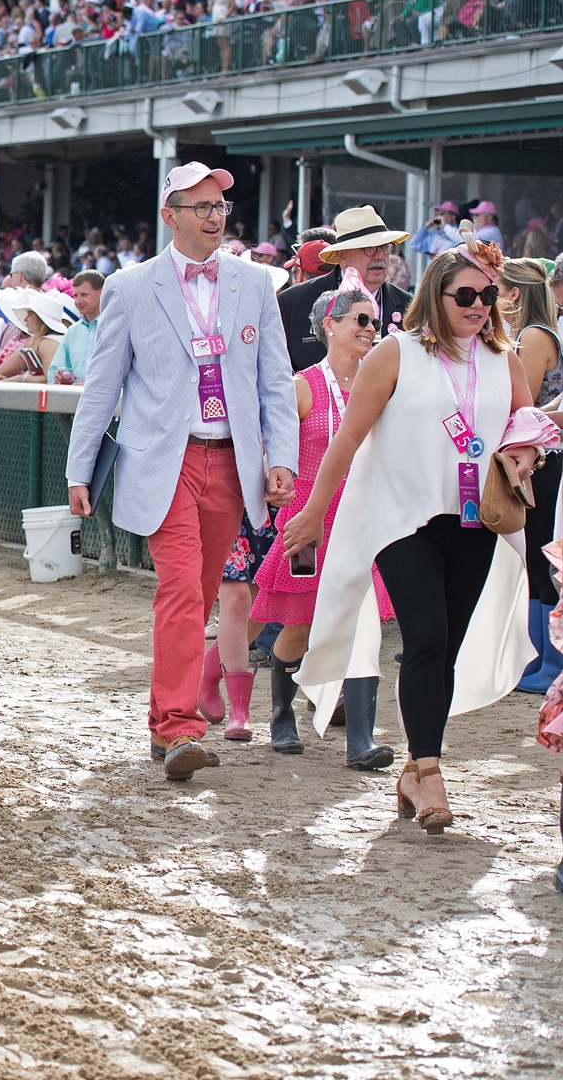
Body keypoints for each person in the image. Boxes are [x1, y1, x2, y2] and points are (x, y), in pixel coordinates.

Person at [284, 236, 553, 835]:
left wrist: (526, 453)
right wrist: (315, 511)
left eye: (488, 295)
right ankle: (431, 773)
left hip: (473, 521)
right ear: (437, 294)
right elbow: (348, 439)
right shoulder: (395, 353)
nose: (479, 305)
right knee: (426, 633)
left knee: (443, 647)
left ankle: (414, 765)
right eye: (466, 294)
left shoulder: (503, 359)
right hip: (400, 519)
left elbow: (524, 425)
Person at [66, 162, 299, 780]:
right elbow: (102, 385)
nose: (215, 215)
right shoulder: (131, 287)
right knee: (178, 590)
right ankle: (178, 725)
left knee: (198, 597)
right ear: (170, 215)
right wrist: (78, 468)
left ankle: (162, 720)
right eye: (200, 206)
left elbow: (275, 381)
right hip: (162, 461)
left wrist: (282, 460)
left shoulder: (255, 284)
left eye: (221, 205)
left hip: (232, 461)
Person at [245, 271, 398, 765]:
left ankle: (360, 740)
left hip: (363, 517)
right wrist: (273, 480)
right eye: (360, 320)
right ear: (329, 325)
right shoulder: (303, 385)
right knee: (301, 625)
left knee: (363, 624)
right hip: (309, 520)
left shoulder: (383, 385)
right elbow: (272, 447)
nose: (370, 329)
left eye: (374, 321)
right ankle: (281, 712)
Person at [499, 258, 563, 693]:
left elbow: (521, 405)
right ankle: (542, 660)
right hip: (543, 452)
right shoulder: (538, 333)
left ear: (516, 294)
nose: (493, 301)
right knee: (536, 560)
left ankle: (551, 664)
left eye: (497, 292)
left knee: (543, 558)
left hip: (544, 456)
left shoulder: (535, 336)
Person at [279, 206, 411, 369]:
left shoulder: (410, 307)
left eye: (385, 247)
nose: (379, 256)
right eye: (369, 248)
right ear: (342, 256)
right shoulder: (294, 302)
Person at [0, 287, 70, 382]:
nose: (25, 319)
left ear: (40, 320)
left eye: (30, 315)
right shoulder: (59, 339)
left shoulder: (41, 343)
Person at [49, 269, 102, 382]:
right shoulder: (72, 331)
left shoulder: (116, 327)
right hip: (74, 398)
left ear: (101, 293)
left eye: (84, 295)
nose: (78, 301)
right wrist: (58, 378)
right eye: (75, 296)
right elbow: (53, 372)